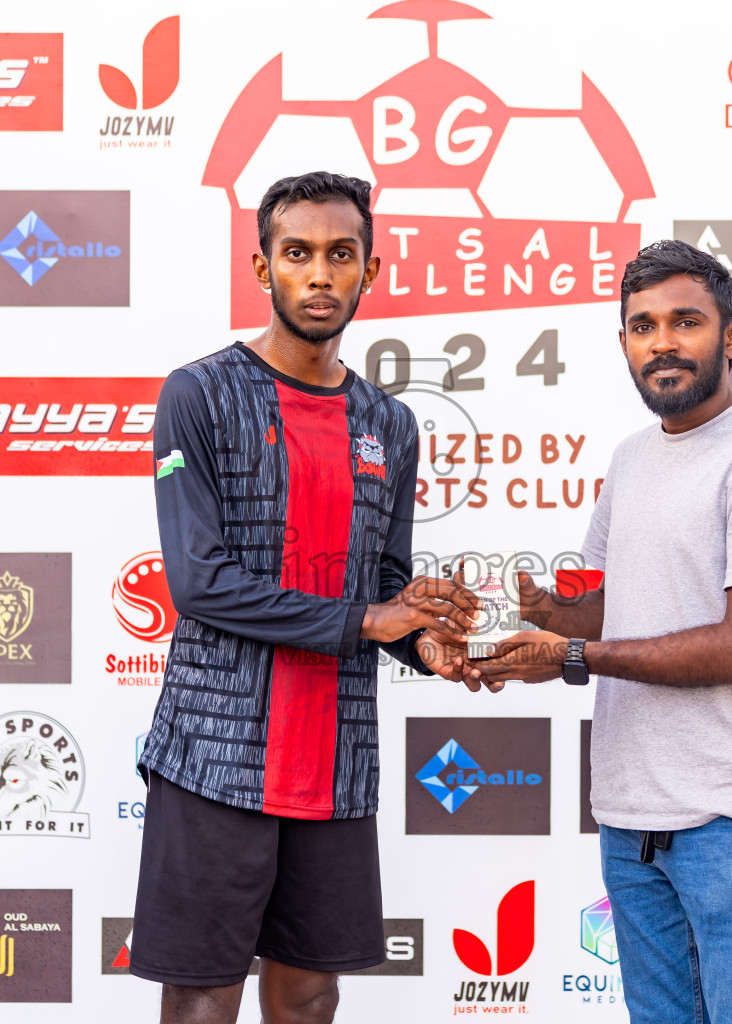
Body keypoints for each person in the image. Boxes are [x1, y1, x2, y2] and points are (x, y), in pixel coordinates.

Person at [133, 170, 478, 1024]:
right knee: (205, 998)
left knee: (310, 996)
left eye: (341, 254)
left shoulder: (389, 423)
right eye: (298, 254)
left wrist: (421, 639)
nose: (320, 274)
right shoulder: (199, 394)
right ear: (263, 270)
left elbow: (384, 586)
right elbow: (199, 582)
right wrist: (369, 619)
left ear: (370, 270)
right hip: (214, 755)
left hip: (336, 760)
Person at [465, 239, 732, 1023]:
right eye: (641, 325)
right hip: (634, 821)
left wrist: (570, 654)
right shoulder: (632, 458)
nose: (661, 342)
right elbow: (600, 610)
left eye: (685, 321)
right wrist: (526, 611)